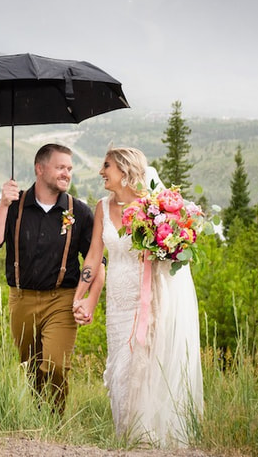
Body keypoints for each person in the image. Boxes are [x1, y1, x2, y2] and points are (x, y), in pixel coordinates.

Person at [72, 146, 203, 446]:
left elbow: (170, 254)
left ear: (125, 170)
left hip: (148, 301)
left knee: (141, 370)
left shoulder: (153, 210)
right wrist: (80, 296)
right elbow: (94, 256)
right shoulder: (102, 208)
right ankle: (126, 440)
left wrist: (169, 245)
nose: (101, 171)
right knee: (118, 371)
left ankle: (146, 441)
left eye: (106, 166)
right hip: (116, 303)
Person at [0, 143, 99, 414]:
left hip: (62, 298)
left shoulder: (78, 212)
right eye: (60, 167)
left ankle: (54, 421)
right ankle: (38, 418)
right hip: (21, 299)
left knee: (56, 364)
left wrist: (89, 296)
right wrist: (4, 204)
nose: (66, 173)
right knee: (31, 367)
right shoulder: (15, 205)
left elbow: (94, 258)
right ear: (40, 169)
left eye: (69, 168)